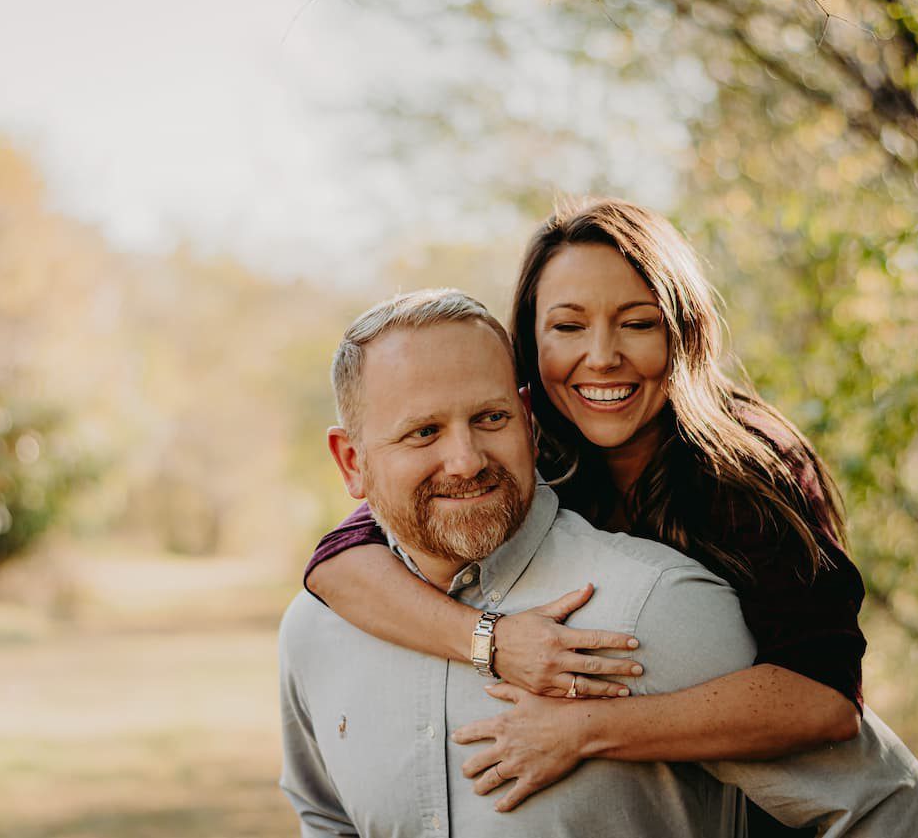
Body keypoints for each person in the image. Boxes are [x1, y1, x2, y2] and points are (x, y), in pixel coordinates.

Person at [304, 200, 875, 834]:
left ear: (682, 332)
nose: (602, 357)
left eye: (636, 323)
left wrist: (586, 729)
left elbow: (826, 703)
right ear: (530, 345)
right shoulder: (524, 443)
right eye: (568, 328)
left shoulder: (748, 469)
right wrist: (491, 641)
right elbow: (339, 561)